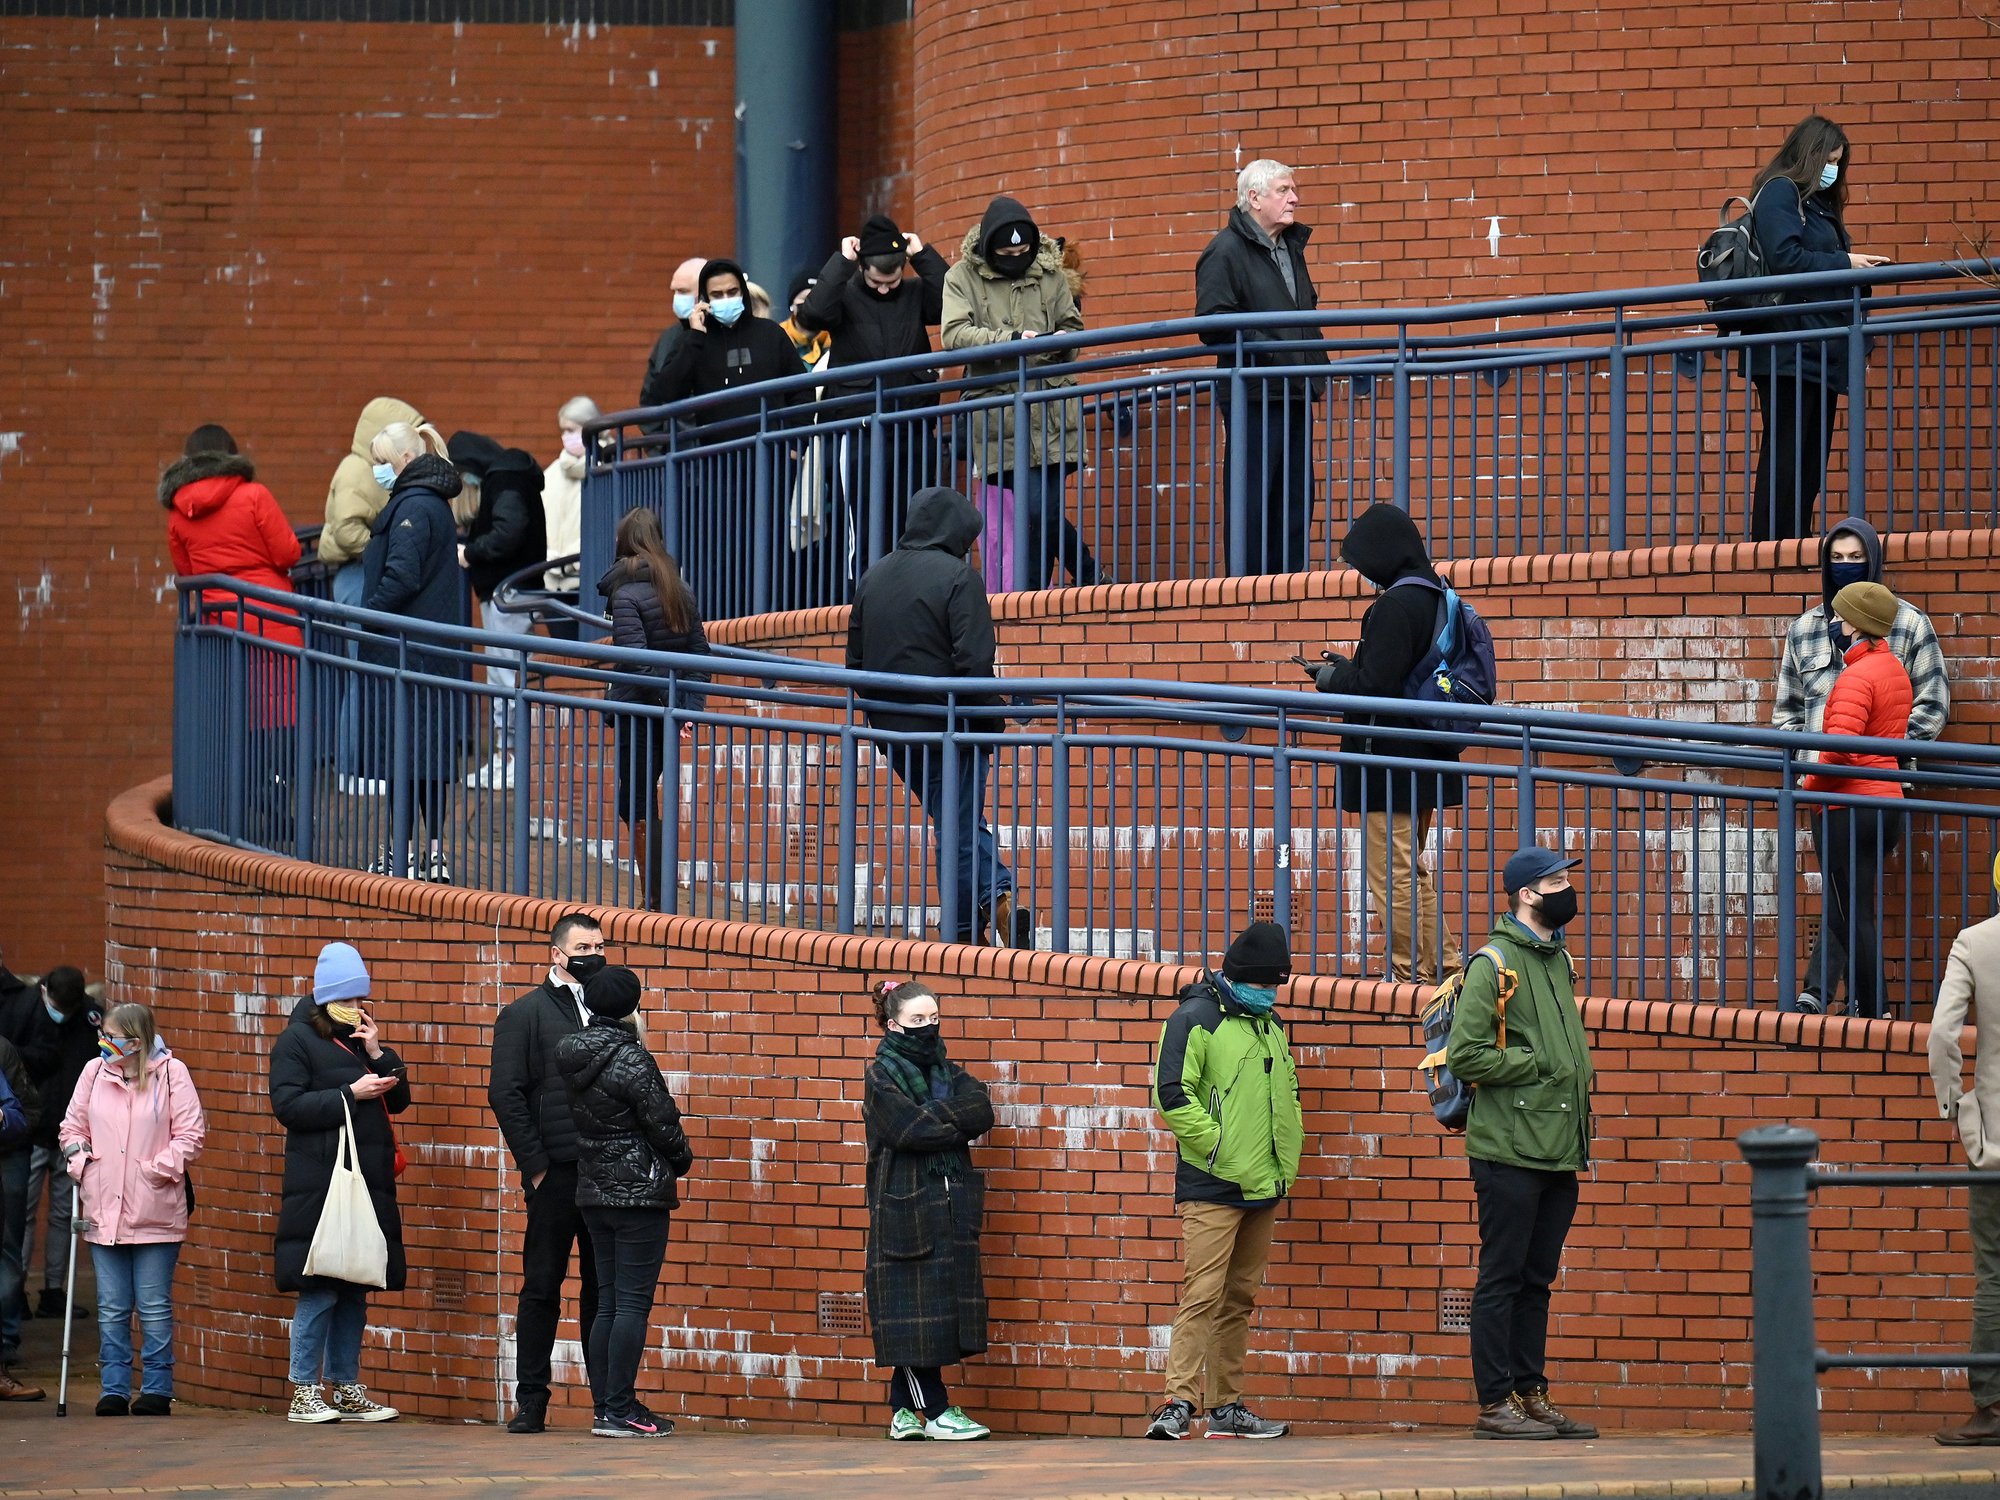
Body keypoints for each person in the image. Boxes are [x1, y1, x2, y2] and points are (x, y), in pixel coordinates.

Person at [1444, 845, 1598, 1441]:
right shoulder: (1494, 962)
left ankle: (1532, 1394)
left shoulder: (1558, 959)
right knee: (1502, 1276)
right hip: (1507, 1146)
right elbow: (1466, 1054)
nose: (1567, 890)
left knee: (1538, 1278)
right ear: (1527, 893)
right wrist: (1534, 1063)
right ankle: (1494, 1403)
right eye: (1556, 881)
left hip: (1559, 1143)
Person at [1774, 520, 1948, 1013]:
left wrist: (1884, 755)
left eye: (1857, 556)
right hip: (1822, 784)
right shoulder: (1805, 628)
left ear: (1873, 560)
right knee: (1849, 894)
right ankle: (1849, 999)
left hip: (1871, 787)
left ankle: (1833, 996)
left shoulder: (1908, 626)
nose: (1846, 566)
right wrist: (1809, 768)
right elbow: (1785, 713)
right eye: (1837, 556)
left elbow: (1931, 707)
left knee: (1850, 896)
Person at [846, 486, 1029, 947]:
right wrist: (993, 724)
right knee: (959, 829)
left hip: (894, 729)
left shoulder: (874, 576)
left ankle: (988, 910)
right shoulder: (958, 578)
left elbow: (856, 664)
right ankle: (977, 918)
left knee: (957, 824)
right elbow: (974, 663)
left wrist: (882, 715)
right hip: (953, 728)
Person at [1145, 921, 1302, 1441]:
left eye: (1277, 985)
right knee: (1203, 1294)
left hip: (1264, 1184)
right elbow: (1171, 1095)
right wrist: (1218, 1148)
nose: (1271, 993)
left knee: (1239, 1299)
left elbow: (1288, 1097)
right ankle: (1178, 1402)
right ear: (1238, 977)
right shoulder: (1194, 1018)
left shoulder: (1270, 1025)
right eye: (1264, 984)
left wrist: (1284, 1161)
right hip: (1212, 1184)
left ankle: (1227, 1407)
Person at [1310, 503, 1467, 984]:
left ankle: (1406, 973)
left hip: (1391, 763)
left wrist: (1331, 679)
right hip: (1424, 757)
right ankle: (1444, 967)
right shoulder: (1435, 594)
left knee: (1391, 874)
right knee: (1408, 870)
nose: (1364, 573)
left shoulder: (1396, 606)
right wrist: (1348, 668)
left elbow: (1375, 687)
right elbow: (1391, 675)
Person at [268, 942, 410, 1425]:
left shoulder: (358, 1039)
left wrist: (378, 1052)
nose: (357, 1007)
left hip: (366, 1183)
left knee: (355, 1287)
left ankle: (347, 1386)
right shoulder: (296, 1041)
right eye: (348, 999)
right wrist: (349, 1093)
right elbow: (288, 1107)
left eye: (362, 998)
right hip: (322, 1183)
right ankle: (305, 1391)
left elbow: (401, 1101)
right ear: (326, 998)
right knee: (321, 1285)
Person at [555, 966, 694, 1439]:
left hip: (593, 1188)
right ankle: (620, 1407)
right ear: (632, 1006)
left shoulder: (571, 1052)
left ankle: (605, 1407)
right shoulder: (633, 1059)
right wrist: (681, 1159)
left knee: (609, 1301)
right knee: (631, 1303)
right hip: (638, 1192)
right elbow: (662, 1123)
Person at [1743, 116, 1892, 542]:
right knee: (1787, 452)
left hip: (1819, 348)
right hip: (1787, 346)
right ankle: (1771, 546)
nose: (1833, 170)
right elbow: (1786, 259)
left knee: (1809, 458)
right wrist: (1846, 262)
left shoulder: (1817, 205)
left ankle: (1793, 541)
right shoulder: (1779, 192)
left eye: (1838, 163)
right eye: (1828, 160)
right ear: (1808, 156)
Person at [488, 913, 610, 1433]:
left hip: (604, 1172)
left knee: (601, 1290)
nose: (595, 953)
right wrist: (536, 1167)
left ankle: (609, 1399)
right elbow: (506, 1095)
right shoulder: (524, 1014)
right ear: (557, 954)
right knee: (542, 1286)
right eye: (584, 945)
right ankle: (532, 1400)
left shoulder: (612, 1012)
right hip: (554, 1174)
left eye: (601, 944)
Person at [863, 979, 995, 1442]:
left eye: (933, 1019)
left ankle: (903, 1412)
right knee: (913, 1312)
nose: (927, 1028)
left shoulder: (948, 1069)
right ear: (893, 1022)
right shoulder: (881, 1074)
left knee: (929, 1315)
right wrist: (953, 1121)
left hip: (949, 1205)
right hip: (905, 1208)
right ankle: (937, 1411)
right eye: (917, 1020)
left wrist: (941, 1119)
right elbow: (908, 1129)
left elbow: (982, 1107)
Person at [161, 424, 304, 847]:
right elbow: (288, 552)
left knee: (234, 712)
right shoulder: (252, 495)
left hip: (219, 625)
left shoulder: (178, 511)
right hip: (272, 618)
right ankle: (274, 791)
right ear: (231, 453)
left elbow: (187, 574)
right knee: (281, 718)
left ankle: (248, 797)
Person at [60, 1001, 204, 1416]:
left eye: (113, 1037)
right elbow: (71, 1126)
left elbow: (191, 1134)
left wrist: (155, 1169)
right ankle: (115, 1388)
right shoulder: (93, 1073)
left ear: (136, 1042)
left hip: (155, 1207)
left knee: (154, 1304)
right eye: (102, 1035)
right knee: (112, 1305)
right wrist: (81, 1161)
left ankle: (157, 1388)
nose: (104, 1043)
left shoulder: (172, 1074)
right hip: (103, 1206)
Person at [942, 195, 1085, 592]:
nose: (1017, 257)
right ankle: (1077, 575)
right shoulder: (960, 277)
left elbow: (1073, 327)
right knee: (1037, 508)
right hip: (1000, 410)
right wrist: (1010, 340)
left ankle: (1035, 595)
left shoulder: (1051, 274)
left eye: (1024, 251)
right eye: (1007, 253)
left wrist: (1060, 341)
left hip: (1051, 407)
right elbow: (953, 334)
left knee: (1042, 510)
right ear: (989, 249)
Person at [1195, 160, 1331, 576]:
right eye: (1284, 190)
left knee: (1295, 496)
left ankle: (1289, 587)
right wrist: (1276, 353)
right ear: (1254, 198)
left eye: (1293, 189)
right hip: (1254, 394)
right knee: (1253, 497)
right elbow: (1213, 324)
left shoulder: (1289, 247)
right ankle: (1249, 591)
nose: (1295, 198)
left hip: (1295, 389)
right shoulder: (1224, 251)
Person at [801, 215, 951, 580]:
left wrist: (923, 255)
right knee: (864, 523)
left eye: (892, 281)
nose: (884, 289)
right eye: (876, 281)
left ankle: (916, 592)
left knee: (919, 519)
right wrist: (842, 261)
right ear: (862, 267)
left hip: (913, 425)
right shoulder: (844, 292)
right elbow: (813, 314)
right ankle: (866, 595)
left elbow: (951, 299)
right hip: (858, 429)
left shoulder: (916, 293)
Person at [317, 399, 447, 793]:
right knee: (364, 674)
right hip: (359, 577)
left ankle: (362, 767)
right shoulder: (357, 470)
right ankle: (355, 768)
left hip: (368, 576)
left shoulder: (398, 491)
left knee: (369, 674)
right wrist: (380, 547)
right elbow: (345, 529)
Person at [360, 423, 469, 882]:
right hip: (433, 653)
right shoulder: (432, 504)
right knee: (430, 759)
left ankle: (400, 853)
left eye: (381, 461)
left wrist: (368, 613)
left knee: (403, 759)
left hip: (409, 654)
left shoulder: (411, 507)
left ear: (402, 460)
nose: (376, 471)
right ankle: (433, 852)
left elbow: (401, 576)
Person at [1799, 581, 1912, 1020]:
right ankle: (1873, 1006)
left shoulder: (1856, 675)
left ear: (1856, 624)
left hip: (1849, 806)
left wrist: (1810, 785)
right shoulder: (1892, 669)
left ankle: (1871, 1009)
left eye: (1841, 616)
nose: (1834, 622)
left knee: (1850, 914)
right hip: (1885, 803)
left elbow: (1840, 746)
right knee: (1858, 911)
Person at [599, 508, 711, 912]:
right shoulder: (677, 586)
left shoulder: (625, 593)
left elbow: (635, 659)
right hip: (665, 711)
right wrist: (686, 709)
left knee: (636, 801)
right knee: (640, 797)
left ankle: (658, 898)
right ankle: (658, 894)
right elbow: (701, 654)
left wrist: (672, 706)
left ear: (624, 542)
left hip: (640, 710)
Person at [1926, 856, 2000, 1446]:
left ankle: (1990, 1409)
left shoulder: (1974, 942)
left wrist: (1953, 1106)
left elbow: (1942, 1034)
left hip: (1994, 1140)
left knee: (1993, 1275)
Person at [449, 431, 548, 791]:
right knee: (503, 676)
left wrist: (471, 552)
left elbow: (509, 531)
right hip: (510, 591)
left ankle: (513, 759)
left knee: (507, 678)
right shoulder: (509, 474)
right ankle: (507, 757)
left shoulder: (505, 477)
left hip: (510, 592)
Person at [20, 967, 101, 1323]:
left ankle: (53, 1291)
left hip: (69, 1133)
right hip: (34, 1131)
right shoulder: (27, 1010)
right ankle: (15, 1292)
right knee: (22, 1214)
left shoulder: (89, 1018)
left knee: (62, 1216)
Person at [648, 258, 807, 434]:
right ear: (704, 299)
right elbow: (666, 393)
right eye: (717, 294)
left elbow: (801, 390)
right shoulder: (692, 340)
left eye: (732, 292)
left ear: (743, 293)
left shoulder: (770, 333)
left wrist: (795, 444)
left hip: (771, 453)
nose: (726, 299)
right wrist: (695, 337)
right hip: (716, 456)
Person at [0, 1028, 41, 1401]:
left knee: (7, 1251)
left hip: (7, 1155)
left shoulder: (2, 1051)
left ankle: (4, 1348)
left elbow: (22, 1111)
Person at [541, 396, 601, 639]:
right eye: (563, 430)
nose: (566, 436)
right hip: (553, 581)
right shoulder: (552, 473)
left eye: (572, 430)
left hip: (590, 581)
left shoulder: (609, 467)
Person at [638, 257, 707, 412]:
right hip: (672, 434)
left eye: (683, 291)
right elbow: (650, 397)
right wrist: (662, 434)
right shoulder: (668, 338)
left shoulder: (723, 333)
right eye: (675, 291)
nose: (677, 297)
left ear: (704, 294)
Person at [779, 270, 830, 366]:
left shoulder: (838, 339)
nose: (811, 305)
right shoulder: (778, 338)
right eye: (804, 298)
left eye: (817, 299)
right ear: (792, 305)